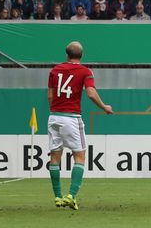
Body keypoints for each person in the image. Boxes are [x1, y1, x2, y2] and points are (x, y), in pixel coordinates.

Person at [47, 42, 113, 210]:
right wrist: (104, 107)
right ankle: (71, 195)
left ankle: (57, 197)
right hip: (71, 117)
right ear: (81, 55)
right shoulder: (85, 71)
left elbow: (50, 96)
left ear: (66, 54)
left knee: (55, 158)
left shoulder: (54, 70)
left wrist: (56, 110)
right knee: (80, 156)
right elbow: (90, 93)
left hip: (54, 116)